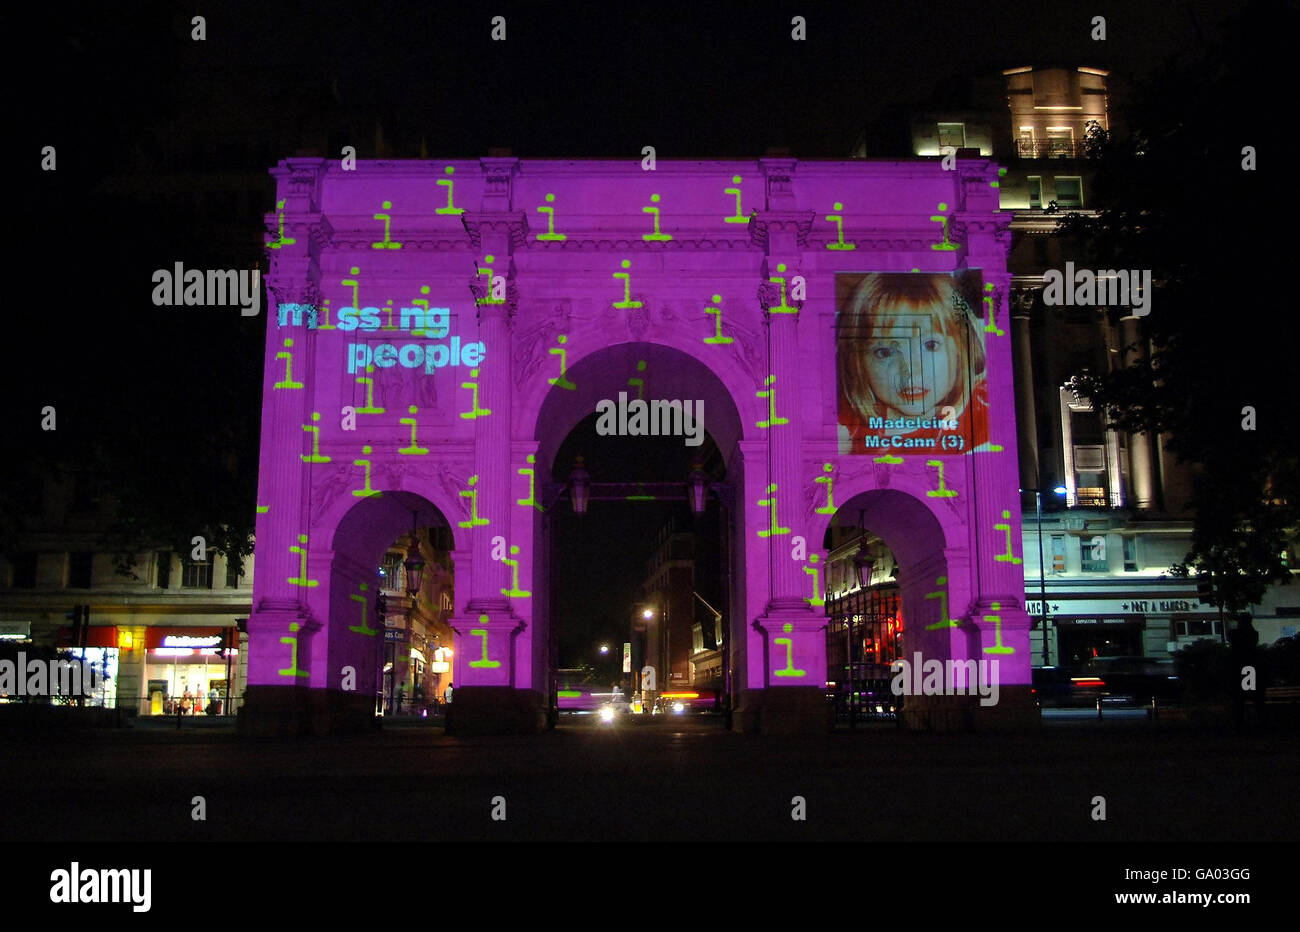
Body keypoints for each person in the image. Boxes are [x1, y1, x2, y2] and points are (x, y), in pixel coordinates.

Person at [837, 272, 989, 454]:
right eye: (885, 352)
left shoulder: (981, 412)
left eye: (930, 345)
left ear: (961, 349)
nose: (909, 370)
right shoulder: (849, 418)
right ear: (859, 365)